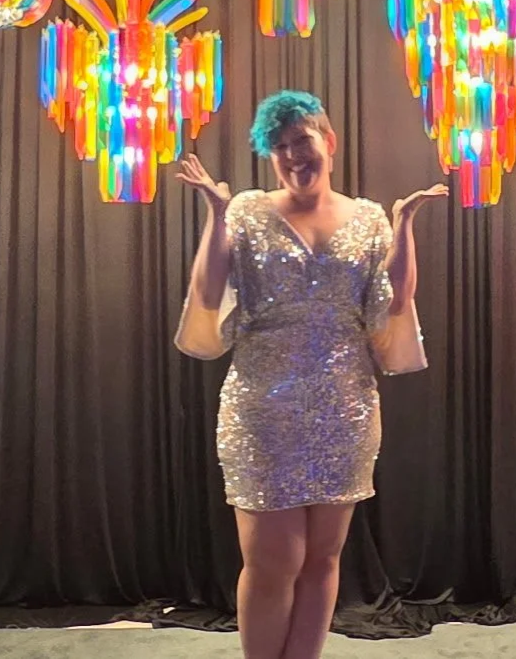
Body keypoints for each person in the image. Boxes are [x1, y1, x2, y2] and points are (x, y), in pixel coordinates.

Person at [174, 90, 446, 659]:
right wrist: (215, 215)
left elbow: (393, 304)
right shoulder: (246, 209)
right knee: (273, 563)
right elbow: (206, 293)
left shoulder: (370, 218)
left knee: (323, 560)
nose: (293, 156)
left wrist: (404, 226)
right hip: (262, 412)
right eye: (279, 147)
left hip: (344, 409)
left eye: (302, 141)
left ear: (329, 141)